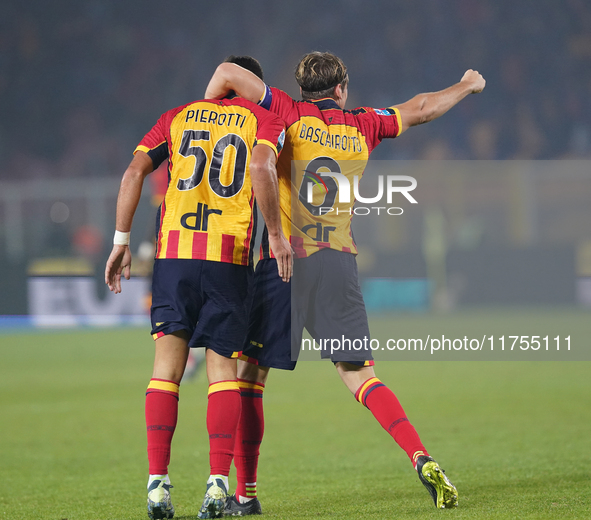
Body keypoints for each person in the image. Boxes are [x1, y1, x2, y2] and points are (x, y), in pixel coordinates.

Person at [204, 51, 485, 514]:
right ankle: (421, 456)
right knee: (361, 376)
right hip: (339, 262)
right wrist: (465, 85)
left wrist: (208, 111)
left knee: (249, 378)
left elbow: (230, 74)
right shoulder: (364, 124)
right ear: (341, 90)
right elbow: (422, 108)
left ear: (302, 90)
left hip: (286, 261)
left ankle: (245, 495)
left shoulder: (285, 112)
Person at [105, 56, 292, 520]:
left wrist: (121, 242)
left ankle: (156, 487)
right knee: (222, 373)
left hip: (174, 256)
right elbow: (262, 171)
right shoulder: (266, 119)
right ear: (255, 86)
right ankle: (216, 486)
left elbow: (132, 174)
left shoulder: (176, 117)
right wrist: (275, 234)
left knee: (165, 370)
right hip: (228, 257)